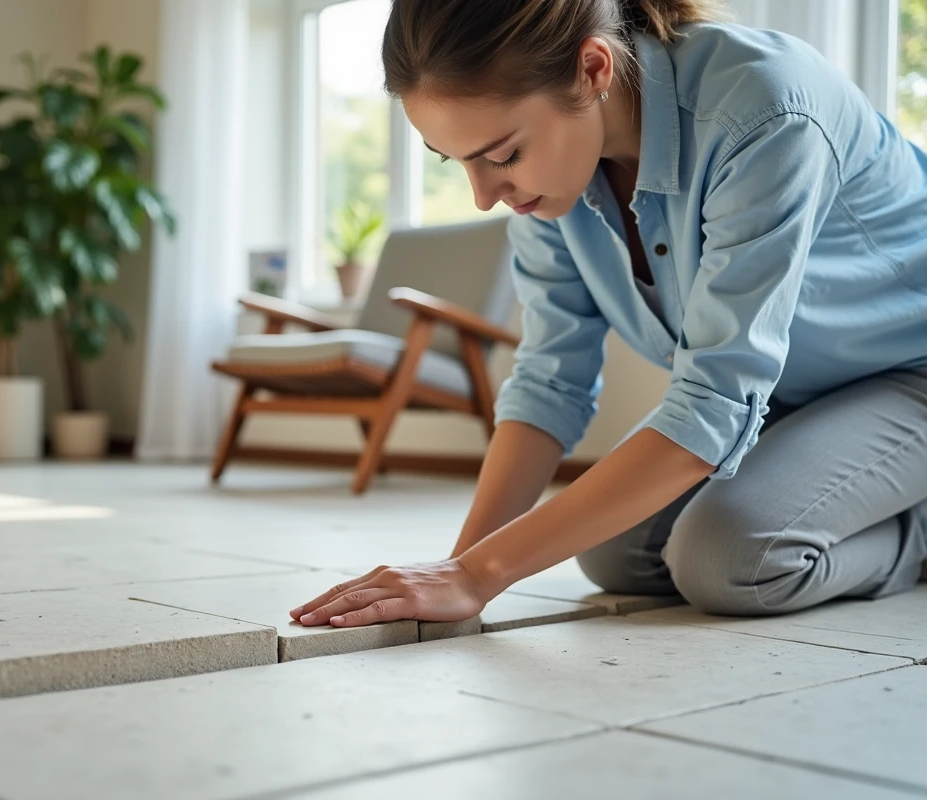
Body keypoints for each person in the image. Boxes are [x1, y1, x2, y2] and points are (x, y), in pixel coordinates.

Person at [291, 0, 927, 628]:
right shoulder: (549, 188)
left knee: (728, 558)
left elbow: (715, 400)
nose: (484, 196)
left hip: (909, 372)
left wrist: (479, 575)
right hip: (791, 391)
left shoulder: (765, 109)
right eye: (453, 160)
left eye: (502, 155)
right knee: (612, 551)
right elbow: (549, 382)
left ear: (592, 69)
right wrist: (459, 572)